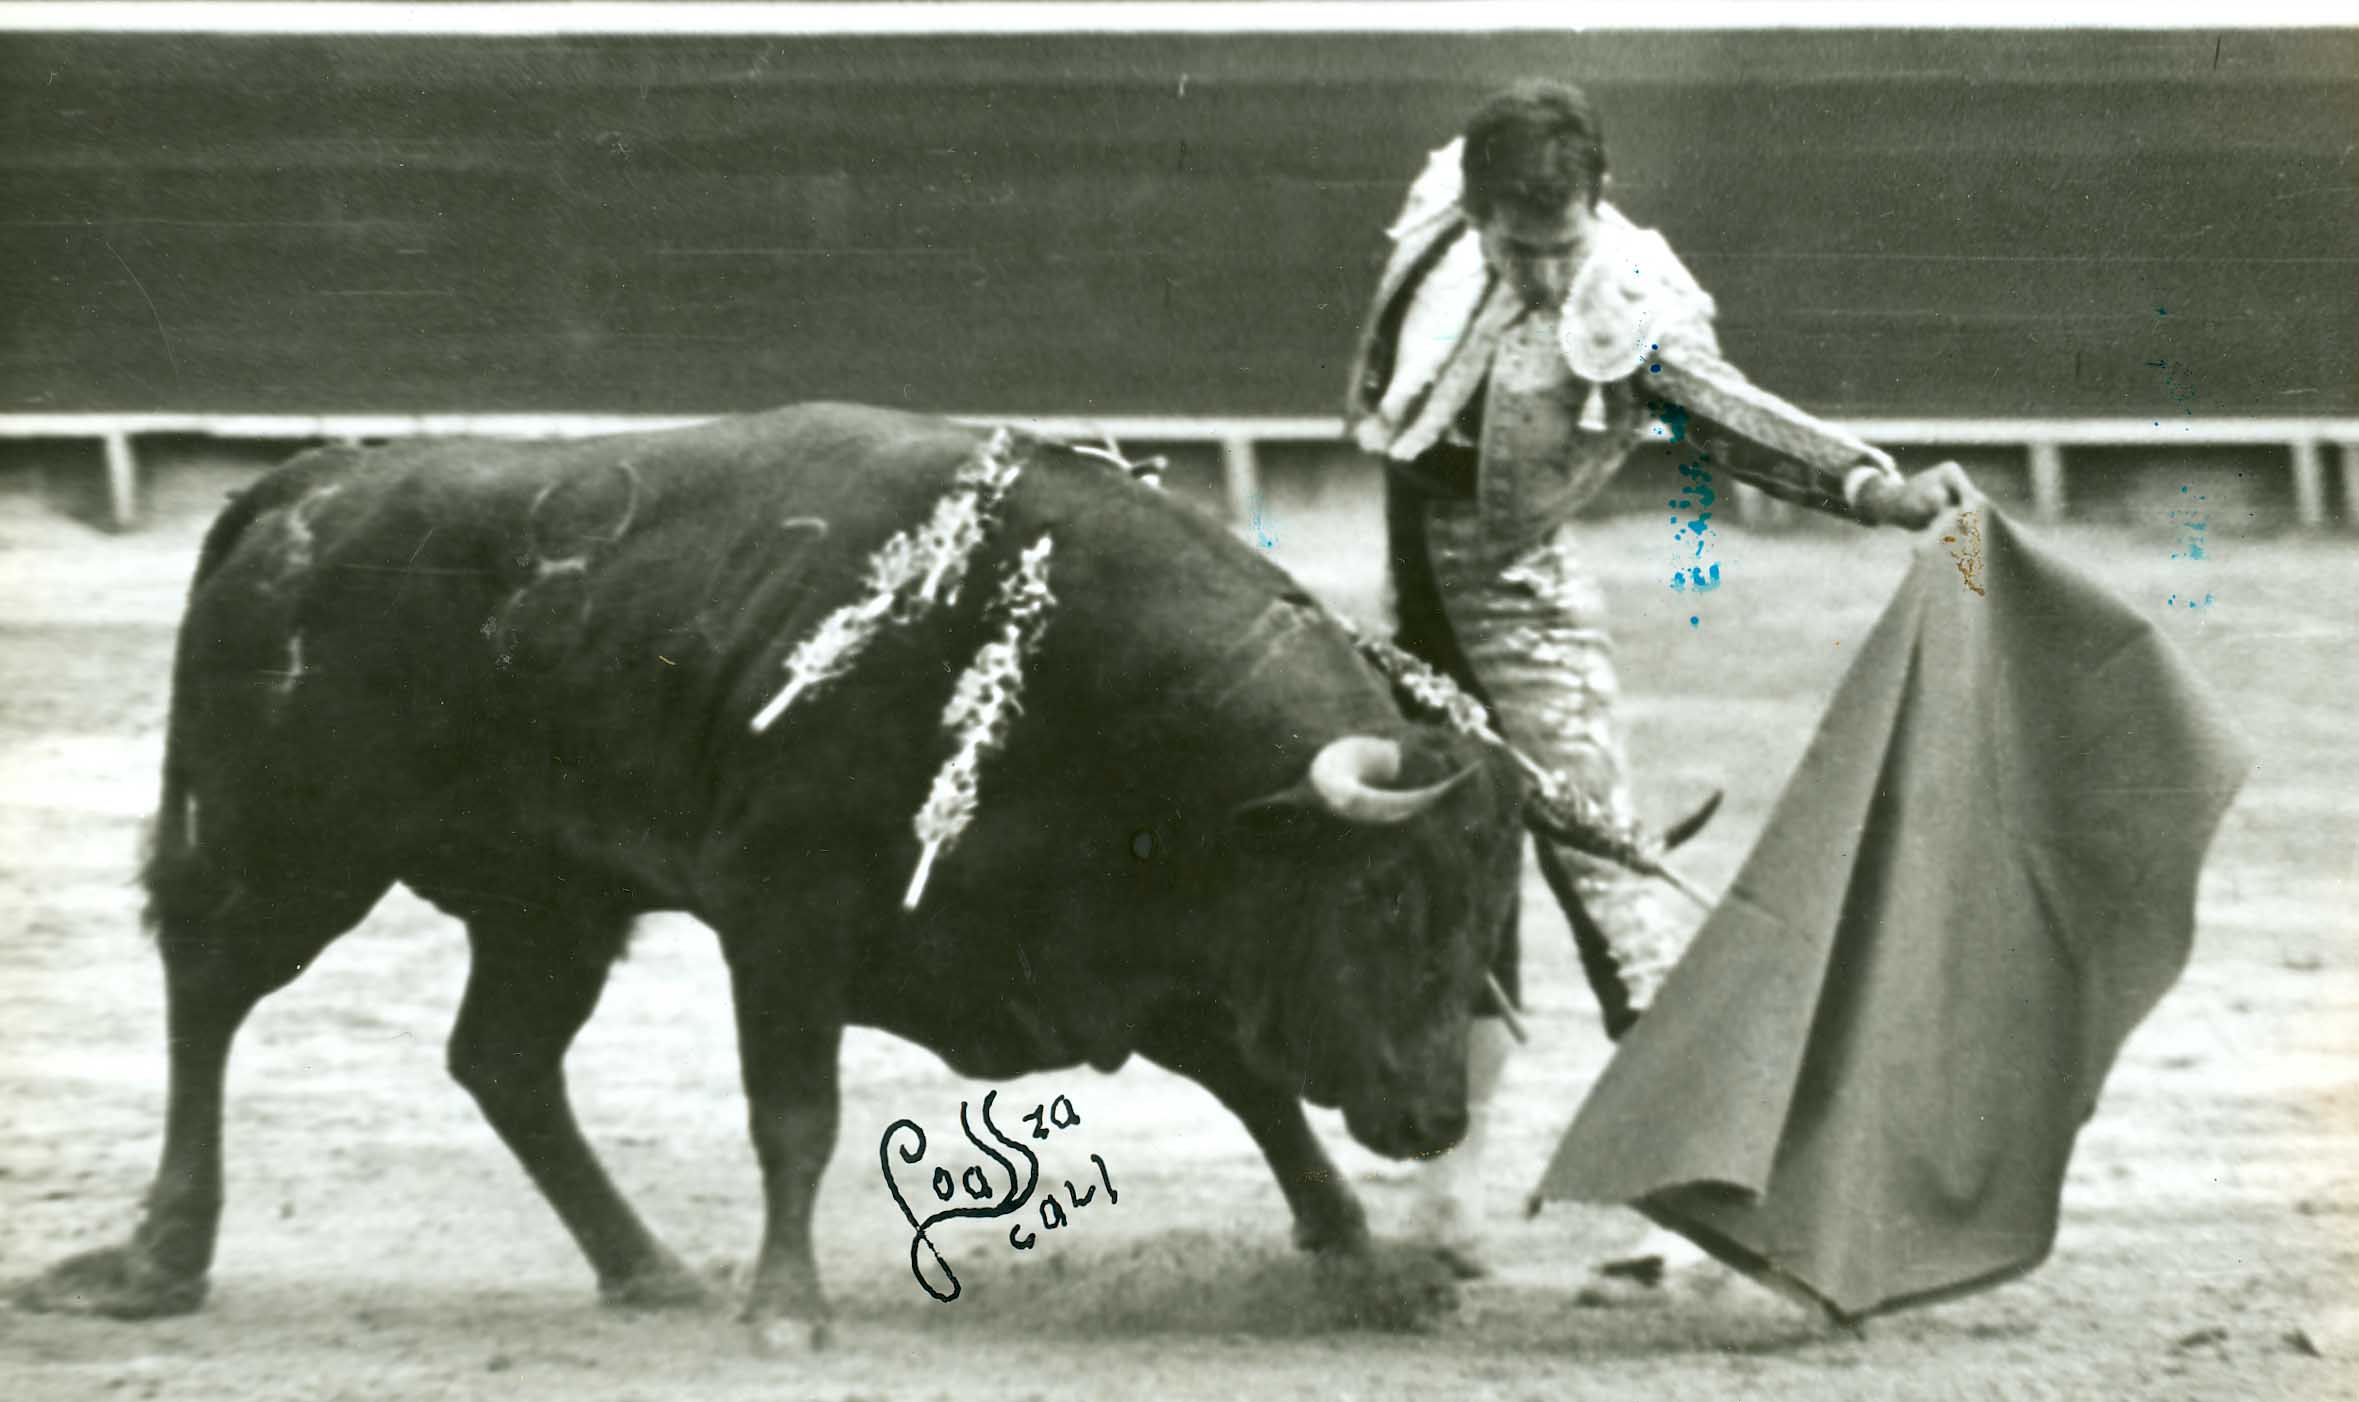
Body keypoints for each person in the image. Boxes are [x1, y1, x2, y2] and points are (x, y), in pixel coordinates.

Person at [1343, 79, 1975, 1275]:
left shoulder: (1624, 294)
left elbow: (1723, 413)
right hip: (1413, 596)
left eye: (1562, 244)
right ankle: (1447, 1197)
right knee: (1440, 877)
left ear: (1599, 203)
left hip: (1518, 603)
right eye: (1517, 249)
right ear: (1474, 213)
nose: (1544, 276)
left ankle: (1710, 1200)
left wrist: (1871, 485)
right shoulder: (1438, 214)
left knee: (1610, 888)